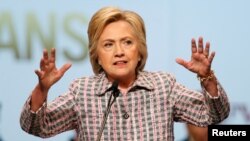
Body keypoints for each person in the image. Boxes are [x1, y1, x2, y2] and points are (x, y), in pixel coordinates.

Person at [20, 6, 230, 141]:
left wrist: (207, 78)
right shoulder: (82, 91)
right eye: (108, 45)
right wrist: (42, 89)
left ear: (140, 51)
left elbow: (214, 114)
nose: (119, 51)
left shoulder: (163, 86)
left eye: (127, 42)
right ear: (97, 55)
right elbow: (36, 127)